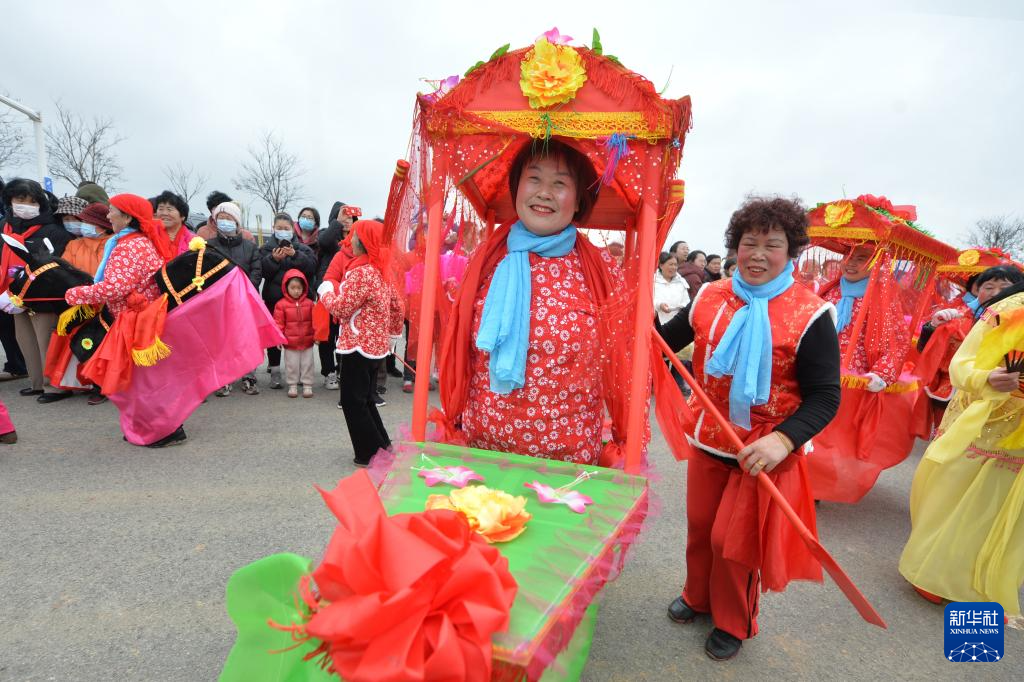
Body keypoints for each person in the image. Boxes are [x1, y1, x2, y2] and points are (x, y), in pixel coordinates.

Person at [657, 196, 840, 661]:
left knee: (732, 543)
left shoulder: (812, 314)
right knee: (701, 528)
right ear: (735, 247)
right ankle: (697, 596)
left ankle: (733, 620)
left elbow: (825, 396)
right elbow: (666, 339)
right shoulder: (711, 296)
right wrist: (636, 317)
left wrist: (784, 440)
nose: (757, 254)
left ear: (791, 251)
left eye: (771, 245)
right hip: (709, 438)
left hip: (762, 451)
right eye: (748, 243)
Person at [439, 140, 627, 466]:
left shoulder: (601, 269)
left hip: (569, 465)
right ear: (517, 188)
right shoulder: (486, 259)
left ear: (579, 200)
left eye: (560, 183)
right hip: (483, 454)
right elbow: (457, 349)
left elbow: (625, 361)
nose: (544, 193)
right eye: (534, 179)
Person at [899, 281, 1024, 617]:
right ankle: (931, 571)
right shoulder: (1010, 310)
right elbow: (961, 366)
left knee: (1004, 511)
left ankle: (975, 582)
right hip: (984, 423)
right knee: (954, 498)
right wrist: (987, 378)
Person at [64, 193, 181, 446]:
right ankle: (153, 426)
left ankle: (166, 430)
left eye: (111, 210)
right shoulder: (134, 241)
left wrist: (75, 294)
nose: (108, 215)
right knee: (143, 379)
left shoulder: (129, 246)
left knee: (142, 381)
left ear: (127, 217)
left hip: (135, 322)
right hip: (138, 318)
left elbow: (116, 287)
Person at [317, 220, 404, 466]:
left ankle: (370, 454)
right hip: (375, 348)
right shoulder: (381, 270)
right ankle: (381, 447)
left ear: (363, 242)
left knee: (353, 401)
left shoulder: (362, 272)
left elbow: (341, 308)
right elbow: (398, 306)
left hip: (357, 345)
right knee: (364, 399)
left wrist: (325, 292)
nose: (350, 241)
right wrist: (392, 335)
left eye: (354, 237)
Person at [0, 179, 73, 403]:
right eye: (20, 199)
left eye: (32, 201)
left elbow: (58, 265)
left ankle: (55, 387)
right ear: (10, 200)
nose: (26, 205)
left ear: (40, 203)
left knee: (46, 341)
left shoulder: (53, 230)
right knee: (25, 340)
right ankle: (37, 382)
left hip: (44, 295)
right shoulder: (4, 227)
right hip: (13, 295)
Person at [207, 201, 262, 396]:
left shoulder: (250, 246)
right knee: (221, 340)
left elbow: (256, 271)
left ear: (237, 222)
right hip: (219, 300)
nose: (224, 221)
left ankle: (249, 376)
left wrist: (245, 290)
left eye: (228, 218)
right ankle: (224, 378)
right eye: (220, 218)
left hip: (245, 299)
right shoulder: (209, 246)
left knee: (246, 339)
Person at [260, 212, 316, 389]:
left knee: (300, 334)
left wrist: (295, 255)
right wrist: (273, 259)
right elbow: (262, 271)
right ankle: (275, 371)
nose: (283, 231)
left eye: (286, 228)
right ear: (273, 229)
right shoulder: (266, 249)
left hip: (300, 301)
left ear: (292, 230)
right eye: (279, 228)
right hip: (274, 299)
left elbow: (311, 268)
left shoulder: (303, 249)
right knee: (274, 335)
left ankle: (300, 373)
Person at [317, 203, 356, 390]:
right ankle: (329, 372)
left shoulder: (357, 239)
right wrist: (337, 223)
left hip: (348, 295)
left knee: (343, 333)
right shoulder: (327, 234)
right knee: (327, 336)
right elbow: (324, 242)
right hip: (329, 292)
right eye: (344, 217)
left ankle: (342, 368)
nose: (347, 221)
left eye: (351, 217)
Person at [274, 269, 316, 398]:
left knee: (307, 364)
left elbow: (315, 321)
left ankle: (307, 385)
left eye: (299, 288)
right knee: (291, 365)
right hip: (290, 343)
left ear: (304, 288)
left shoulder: (310, 304)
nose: (296, 291)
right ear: (286, 288)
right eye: (293, 288)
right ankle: (292, 385)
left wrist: (317, 335)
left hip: (307, 341)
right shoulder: (281, 305)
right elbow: (278, 324)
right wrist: (278, 339)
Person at [61, 202, 114, 277]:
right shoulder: (73, 245)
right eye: (83, 221)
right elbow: (63, 271)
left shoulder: (116, 245)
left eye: (89, 222)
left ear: (103, 227)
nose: (84, 225)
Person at [153, 190, 195, 256]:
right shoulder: (149, 235)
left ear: (182, 216)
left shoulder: (193, 241)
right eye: (161, 209)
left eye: (169, 209)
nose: (164, 213)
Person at [654, 251, 689, 324]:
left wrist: (680, 307)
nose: (673, 267)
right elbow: (648, 300)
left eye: (675, 265)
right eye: (670, 264)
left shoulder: (681, 281)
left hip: (676, 322)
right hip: (657, 321)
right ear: (661, 265)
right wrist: (659, 305)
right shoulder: (652, 281)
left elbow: (686, 301)